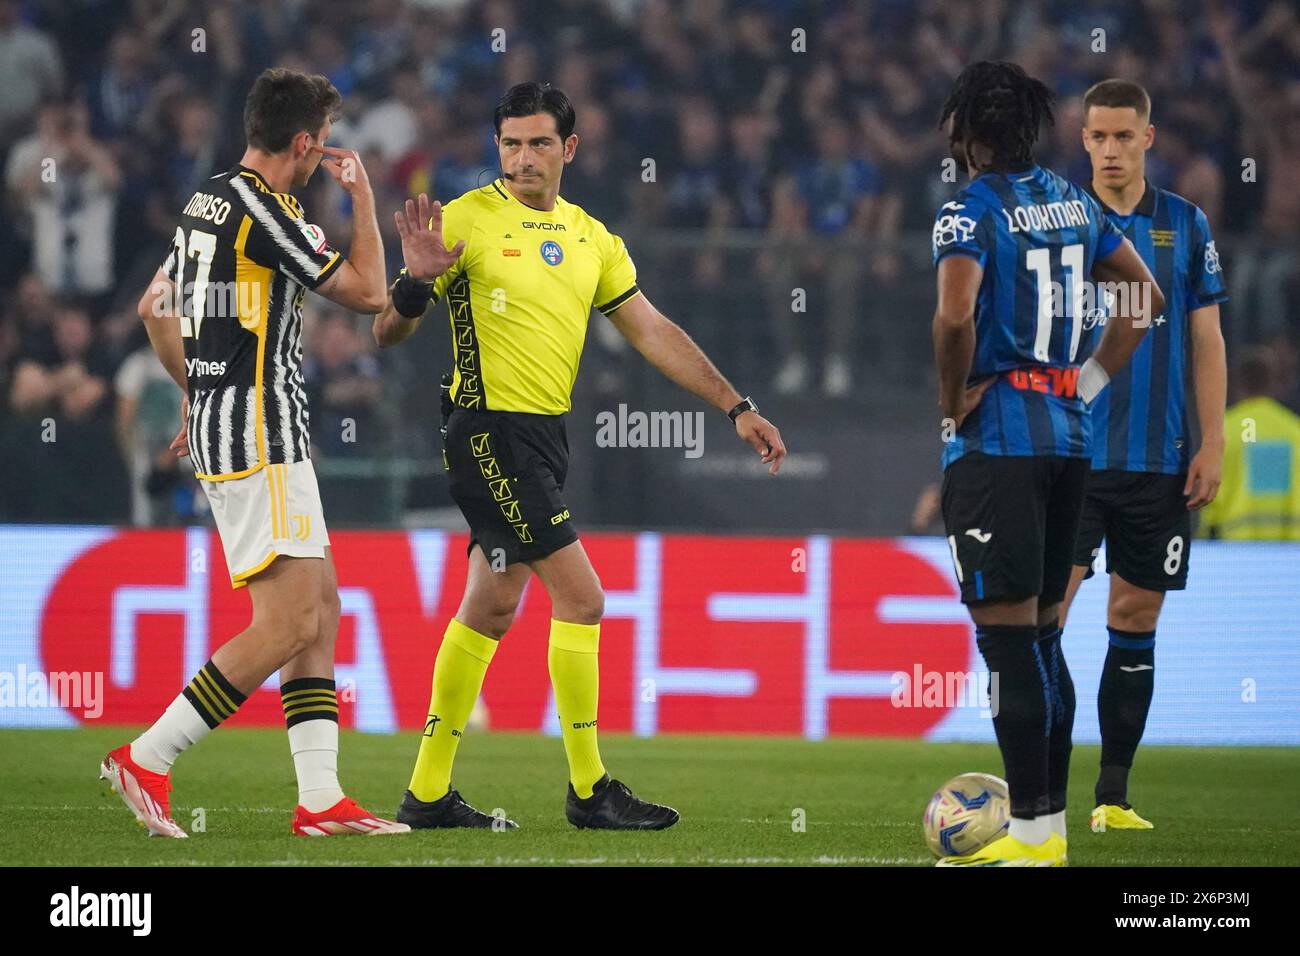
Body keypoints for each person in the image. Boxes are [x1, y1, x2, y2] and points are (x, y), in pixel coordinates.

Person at [373, 82, 787, 831]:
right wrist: (413, 284)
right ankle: (590, 790)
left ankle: (426, 795)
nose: (522, 158)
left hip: (545, 438)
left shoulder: (593, 238)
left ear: (569, 148)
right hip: (486, 430)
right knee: (584, 598)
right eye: (509, 144)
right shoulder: (463, 220)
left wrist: (736, 405)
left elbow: (653, 330)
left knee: (493, 605)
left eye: (537, 143)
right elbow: (385, 333)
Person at [102, 67, 406, 838]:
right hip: (261, 435)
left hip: (237, 427)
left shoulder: (205, 200)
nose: (323, 158)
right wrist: (365, 200)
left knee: (321, 609)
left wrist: (198, 391)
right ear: (303, 143)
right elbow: (371, 291)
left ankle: (319, 798)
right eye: (322, 146)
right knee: (286, 624)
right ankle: (148, 757)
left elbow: (153, 307)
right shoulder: (271, 214)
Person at [931, 62, 1163, 866]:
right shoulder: (1074, 202)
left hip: (999, 438)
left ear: (967, 132)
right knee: (1042, 636)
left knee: (1006, 644)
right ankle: (1050, 831)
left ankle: (1030, 838)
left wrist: (952, 398)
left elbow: (956, 312)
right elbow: (1145, 297)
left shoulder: (967, 213)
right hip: (1070, 437)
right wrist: (1087, 381)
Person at [1059, 79, 1229, 832]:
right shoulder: (1057, 224)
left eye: (1124, 136)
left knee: (1134, 617)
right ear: (1083, 139)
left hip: (1158, 462)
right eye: (1098, 137)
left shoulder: (1186, 226)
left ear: (1148, 139)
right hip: (1066, 456)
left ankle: (1113, 799)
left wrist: (1214, 441)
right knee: (1039, 623)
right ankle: (1036, 793)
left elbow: (1207, 338)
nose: (1110, 150)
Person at [1200, 349, 1300, 540]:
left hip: (1235, 547)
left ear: (1238, 383)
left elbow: (1209, 489)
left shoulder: (1222, 432)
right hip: (1291, 548)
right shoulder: (1294, 431)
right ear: (1274, 383)